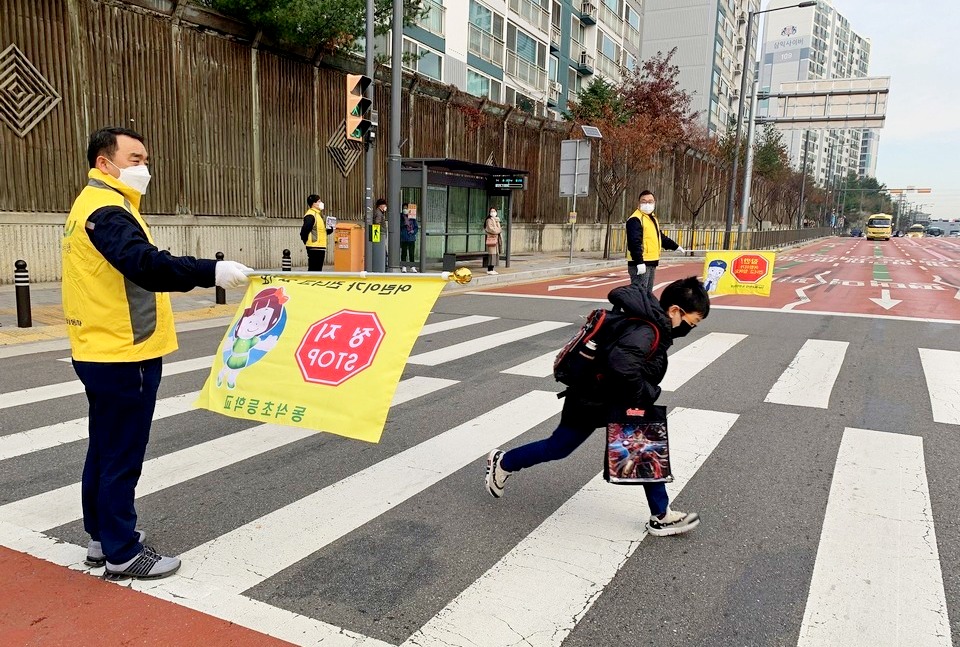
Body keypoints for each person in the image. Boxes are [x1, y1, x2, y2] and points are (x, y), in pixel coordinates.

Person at [62, 127, 251, 579]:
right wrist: (211, 270)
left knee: (105, 449)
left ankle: (101, 537)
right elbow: (145, 265)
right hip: (124, 352)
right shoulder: (106, 211)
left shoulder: (94, 206)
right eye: (134, 158)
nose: (144, 167)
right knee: (122, 452)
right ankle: (122, 552)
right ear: (105, 163)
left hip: (100, 346)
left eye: (145, 158)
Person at [485, 276, 709, 537]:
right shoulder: (647, 330)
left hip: (611, 396)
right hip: (592, 398)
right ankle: (504, 462)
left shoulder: (654, 324)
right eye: (692, 321)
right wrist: (646, 393)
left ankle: (661, 515)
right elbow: (622, 366)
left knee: (644, 449)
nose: (690, 327)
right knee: (559, 447)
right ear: (674, 311)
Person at [626, 190, 684, 292]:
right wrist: (639, 261)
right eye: (644, 201)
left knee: (647, 293)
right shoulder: (635, 219)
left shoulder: (652, 218)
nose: (647, 204)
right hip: (641, 262)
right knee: (640, 294)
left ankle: (646, 308)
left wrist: (675, 246)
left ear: (654, 203)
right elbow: (634, 242)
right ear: (638, 204)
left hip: (651, 261)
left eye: (650, 201)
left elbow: (659, 236)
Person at [300, 194, 332, 271]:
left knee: (318, 269)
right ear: (313, 204)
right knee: (314, 269)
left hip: (320, 246)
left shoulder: (319, 215)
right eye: (319, 201)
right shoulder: (311, 215)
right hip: (314, 247)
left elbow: (321, 231)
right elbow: (304, 231)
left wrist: (330, 229)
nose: (321, 203)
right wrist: (306, 241)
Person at [399, 203, 419, 273]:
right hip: (404, 237)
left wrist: (413, 232)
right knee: (404, 253)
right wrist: (404, 223)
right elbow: (399, 226)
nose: (405, 210)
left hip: (411, 237)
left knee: (411, 253)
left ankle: (412, 267)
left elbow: (416, 227)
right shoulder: (401, 217)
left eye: (406, 208)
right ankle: (404, 267)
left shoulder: (412, 218)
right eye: (404, 208)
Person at [484, 207, 503, 275]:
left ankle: (492, 268)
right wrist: (499, 230)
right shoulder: (489, 220)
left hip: (496, 239)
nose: (493, 212)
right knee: (491, 254)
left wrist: (498, 229)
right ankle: (489, 269)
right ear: (489, 212)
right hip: (491, 239)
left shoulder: (497, 220)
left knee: (494, 254)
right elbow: (492, 230)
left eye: (494, 211)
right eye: (491, 211)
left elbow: (498, 228)